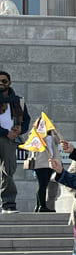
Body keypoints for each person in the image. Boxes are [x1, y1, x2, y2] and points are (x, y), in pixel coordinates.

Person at [0, 71, 28, 213]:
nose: (1, 84)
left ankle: (8, 203)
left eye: (4, 81)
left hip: (9, 140)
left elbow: (26, 120)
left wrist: (18, 131)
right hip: (5, 135)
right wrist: (6, 132)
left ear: (9, 83)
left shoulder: (17, 101)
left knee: (8, 170)